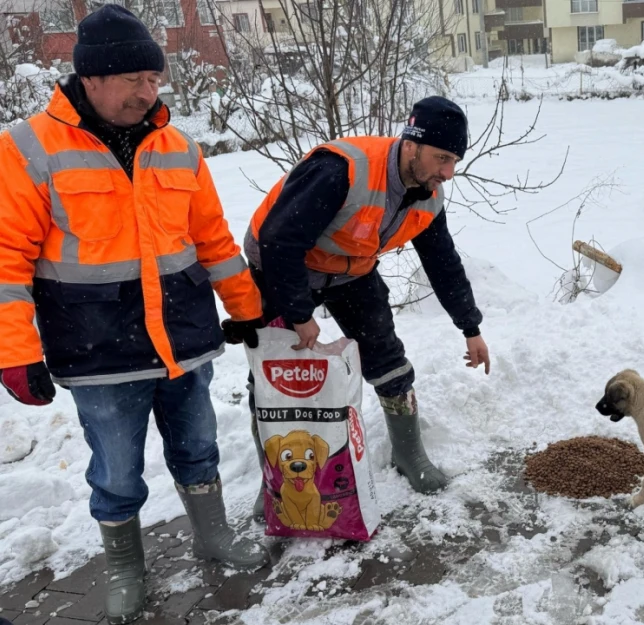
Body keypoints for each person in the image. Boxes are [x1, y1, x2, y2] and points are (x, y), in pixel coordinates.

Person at [0, 6, 269, 623]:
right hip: (98, 347)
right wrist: (15, 351)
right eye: (134, 81)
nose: (149, 93)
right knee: (117, 468)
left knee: (198, 446)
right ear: (90, 78)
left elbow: (214, 240)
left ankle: (212, 535)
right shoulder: (27, 149)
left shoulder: (178, 146)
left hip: (183, 338)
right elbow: (6, 260)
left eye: (155, 79)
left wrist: (248, 310)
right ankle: (126, 566)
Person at [225, 96, 491, 509]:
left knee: (385, 354)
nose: (448, 172)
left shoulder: (427, 193)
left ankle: (409, 454)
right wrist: (298, 314)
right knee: (277, 372)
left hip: (351, 270)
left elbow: (443, 263)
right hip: (281, 263)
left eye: (454, 160)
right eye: (442, 158)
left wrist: (470, 326)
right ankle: (274, 477)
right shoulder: (341, 170)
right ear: (411, 144)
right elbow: (280, 241)